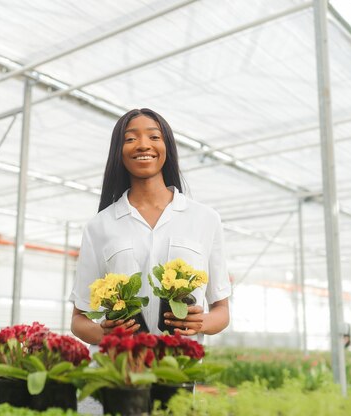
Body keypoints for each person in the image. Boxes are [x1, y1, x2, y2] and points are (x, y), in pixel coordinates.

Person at [69, 108, 231, 345]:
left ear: (168, 148)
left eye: (154, 137)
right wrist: (107, 334)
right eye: (131, 139)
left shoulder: (205, 219)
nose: (143, 145)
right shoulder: (99, 226)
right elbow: (78, 319)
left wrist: (201, 322)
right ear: (119, 152)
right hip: (119, 368)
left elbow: (222, 310)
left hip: (178, 368)